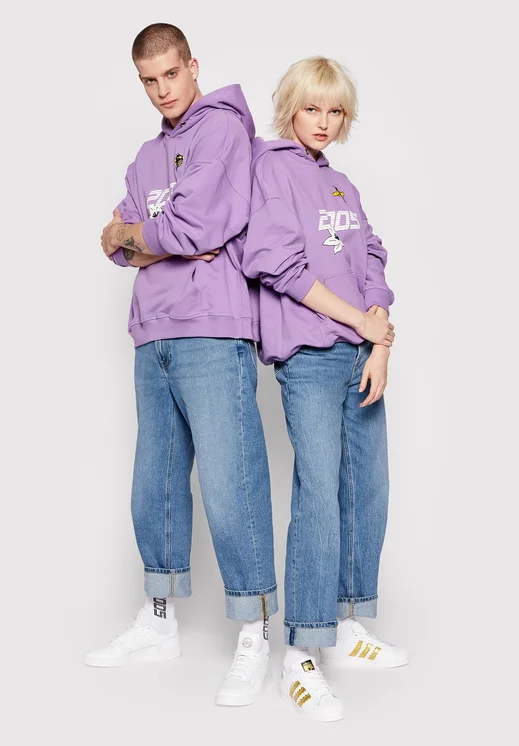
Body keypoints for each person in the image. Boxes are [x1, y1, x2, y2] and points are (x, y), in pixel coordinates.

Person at [87, 23, 277, 708]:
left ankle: (255, 628)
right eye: (149, 80)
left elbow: (193, 228)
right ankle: (160, 617)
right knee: (156, 483)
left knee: (231, 482)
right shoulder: (146, 156)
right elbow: (116, 243)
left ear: (193, 66)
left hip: (212, 329)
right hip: (153, 333)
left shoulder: (221, 130)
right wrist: (145, 239)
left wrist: (148, 237)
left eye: (171, 74)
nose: (162, 90)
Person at [242, 56, 408, 722]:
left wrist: (380, 340)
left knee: (366, 488)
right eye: (312, 108)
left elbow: (373, 260)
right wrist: (357, 321)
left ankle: (346, 622)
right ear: (290, 108)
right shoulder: (272, 169)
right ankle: (301, 653)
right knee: (318, 497)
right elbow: (274, 263)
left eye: (335, 110)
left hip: (360, 355)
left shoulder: (341, 184)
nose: (324, 121)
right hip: (310, 357)